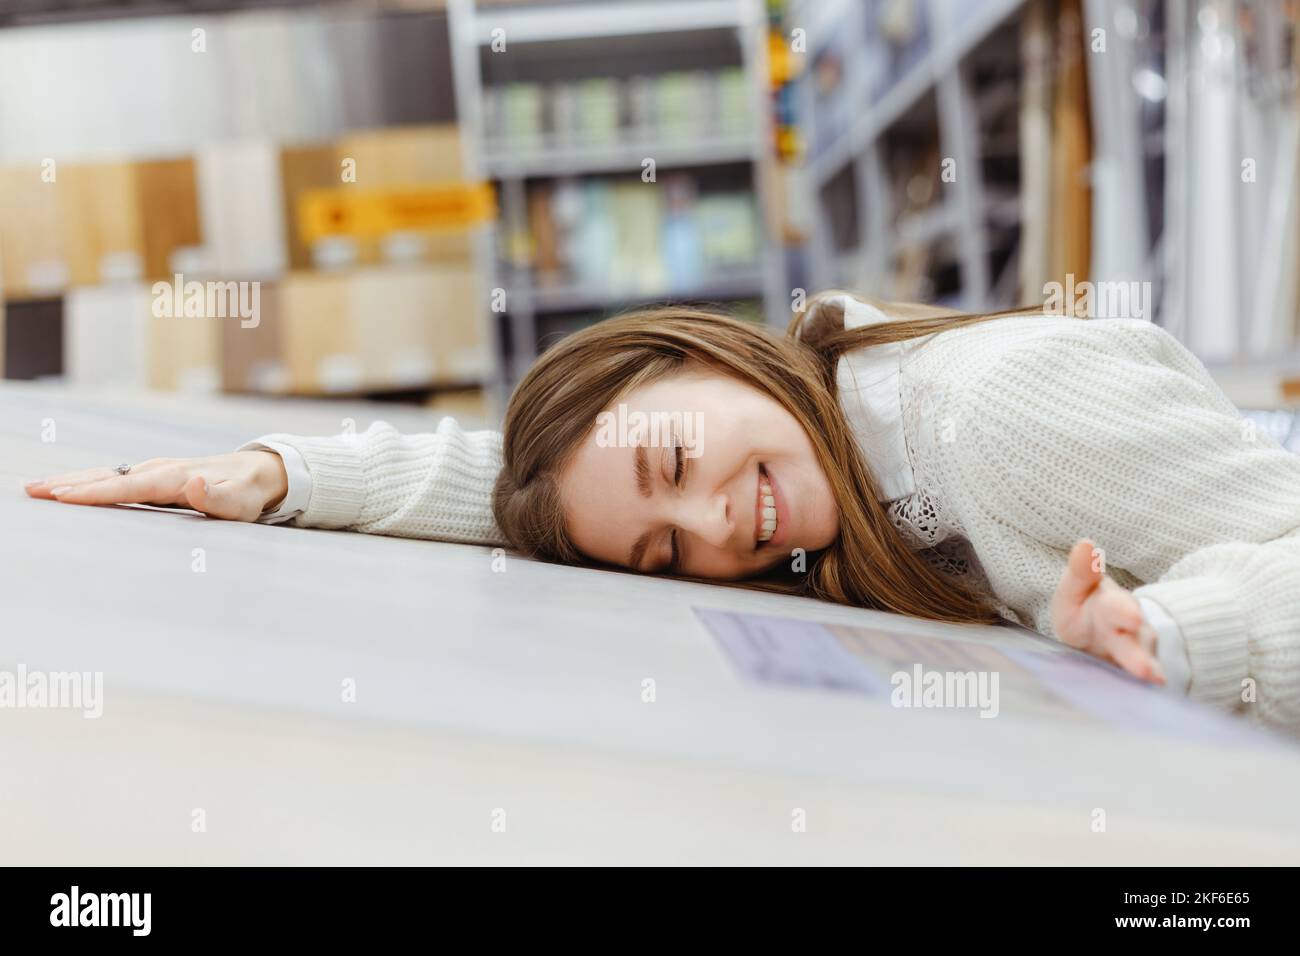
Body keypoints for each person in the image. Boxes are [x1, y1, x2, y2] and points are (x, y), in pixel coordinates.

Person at [25, 292, 1300, 733]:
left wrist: (1182, 639)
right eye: (665, 555)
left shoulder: (1003, 416)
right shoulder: (828, 453)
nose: (717, 533)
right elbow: (552, 483)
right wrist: (279, 475)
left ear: (716, 353)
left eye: (677, 461)